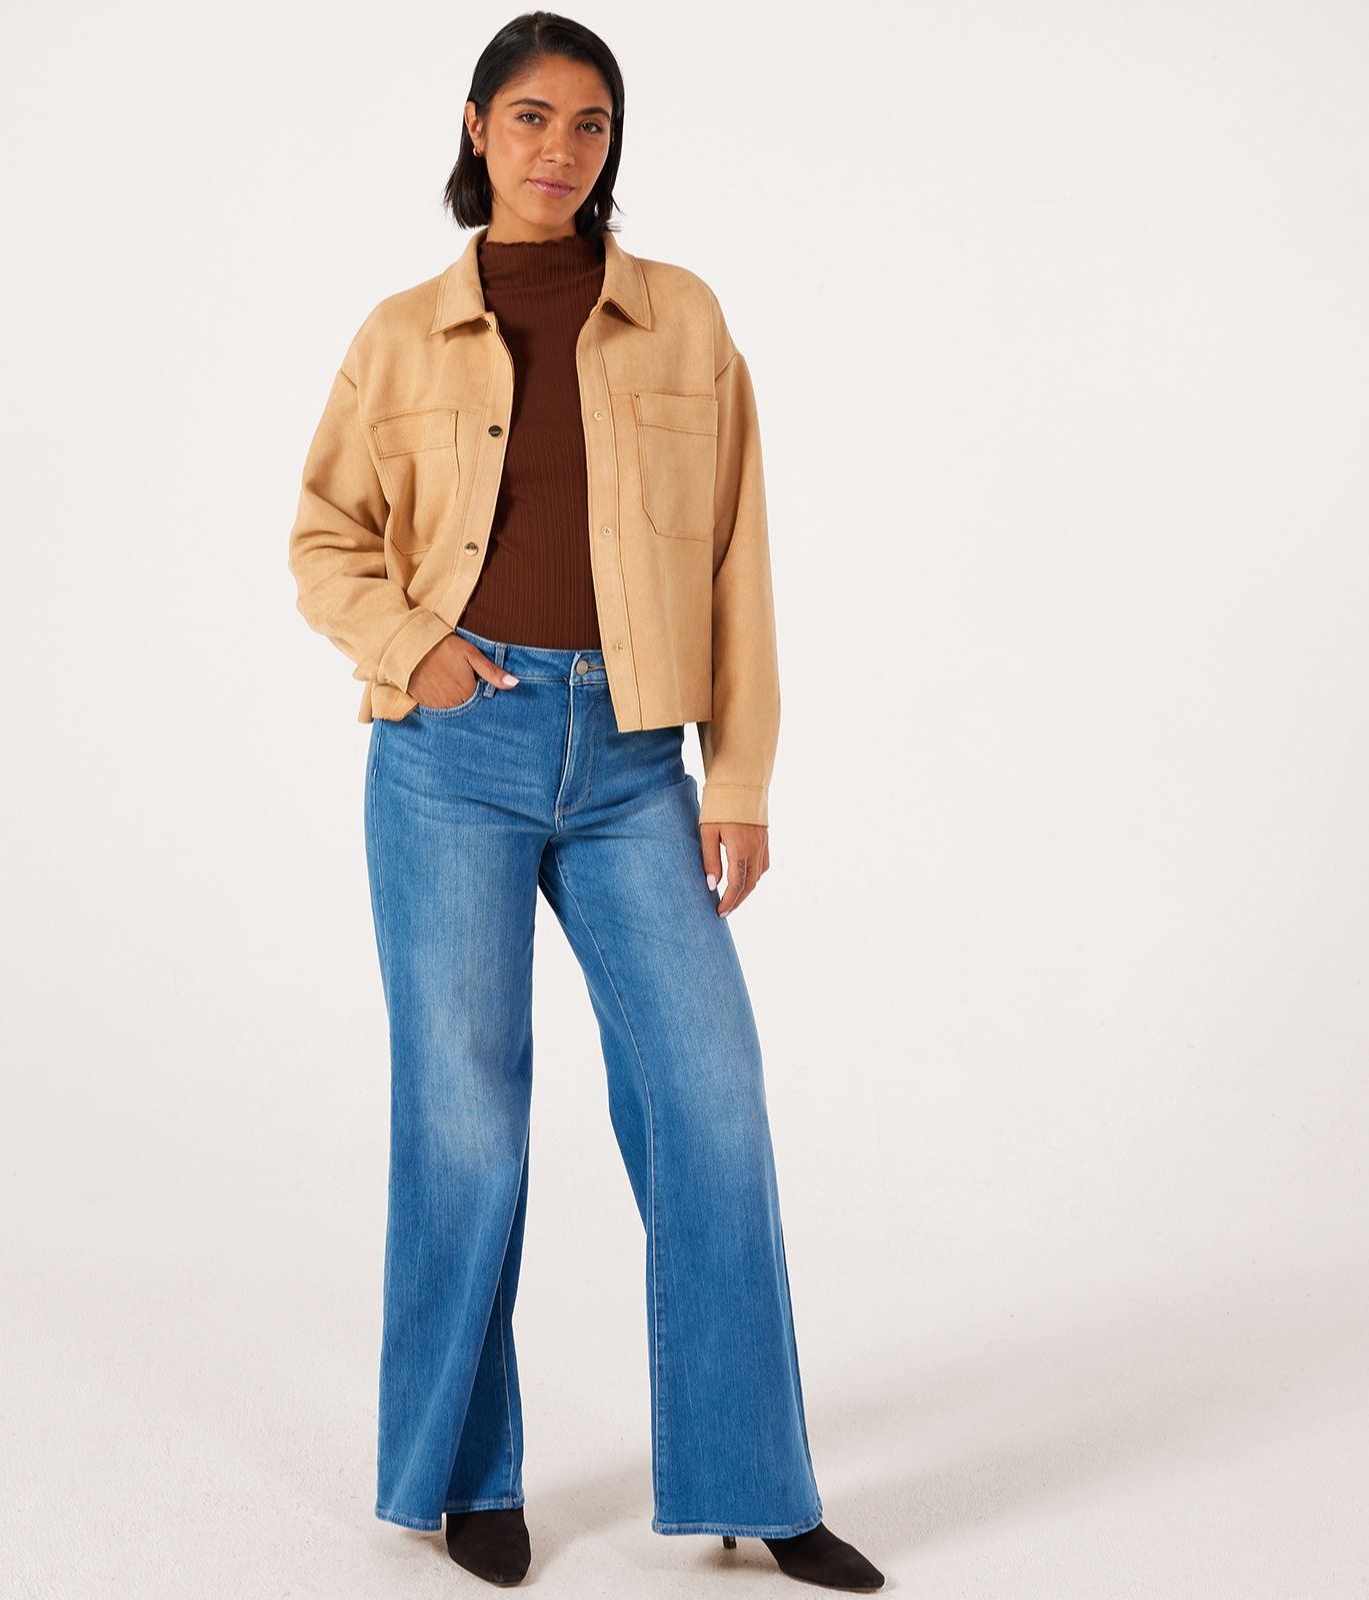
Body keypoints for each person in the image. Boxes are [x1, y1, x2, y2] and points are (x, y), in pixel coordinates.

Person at [287, 13, 885, 1592]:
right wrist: (415, 653)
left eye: (592, 123)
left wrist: (737, 775)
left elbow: (738, 557)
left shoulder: (682, 320)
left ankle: (754, 1482)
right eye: (533, 117)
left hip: (633, 766)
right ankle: (460, 1480)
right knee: (467, 1123)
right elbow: (324, 538)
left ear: (613, 145)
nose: (561, 148)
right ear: (477, 127)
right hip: (451, 758)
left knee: (710, 1097)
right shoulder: (400, 335)